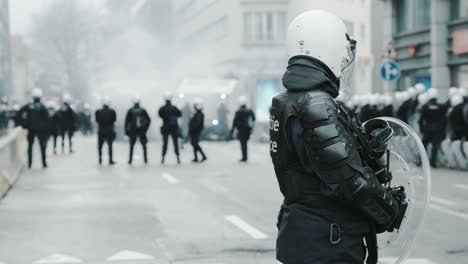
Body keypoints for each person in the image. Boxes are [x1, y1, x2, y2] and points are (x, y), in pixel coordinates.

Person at [271, 10, 405, 264]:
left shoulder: (288, 100)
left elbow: (315, 170)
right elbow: (349, 180)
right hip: (329, 243)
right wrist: (389, 208)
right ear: (328, 47)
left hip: (305, 235)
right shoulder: (316, 104)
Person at [17, 88, 50, 168]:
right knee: (42, 147)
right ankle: (43, 163)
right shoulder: (42, 107)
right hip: (40, 130)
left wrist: (23, 123)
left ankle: (30, 163)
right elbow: (47, 119)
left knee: (31, 147)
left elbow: (19, 113)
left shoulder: (29, 106)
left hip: (31, 129)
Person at [419, 88, 448, 167]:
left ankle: (421, 162)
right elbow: (444, 120)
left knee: (423, 145)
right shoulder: (441, 107)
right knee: (435, 146)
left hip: (428, 128)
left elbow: (421, 120)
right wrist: (443, 130)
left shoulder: (425, 106)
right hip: (438, 128)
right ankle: (433, 163)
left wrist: (422, 129)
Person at [125, 96, 151, 164]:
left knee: (133, 146)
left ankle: (131, 160)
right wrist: (145, 128)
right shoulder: (142, 110)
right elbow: (148, 120)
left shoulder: (131, 110)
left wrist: (127, 131)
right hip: (139, 130)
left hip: (135, 130)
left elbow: (127, 121)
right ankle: (145, 159)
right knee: (143, 146)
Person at [159, 93, 182, 164]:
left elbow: (160, 115)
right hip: (173, 128)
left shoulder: (163, 108)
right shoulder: (174, 108)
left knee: (165, 144)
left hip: (166, 128)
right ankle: (178, 158)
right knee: (175, 144)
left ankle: (163, 158)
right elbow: (180, 114)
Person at [230, 96, 255, 162]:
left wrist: (232, 131)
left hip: (241, 129)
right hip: (247, 129)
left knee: (242, 143)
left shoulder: (238, 111)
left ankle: (244, 157)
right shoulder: (249, 110)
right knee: (245, 143)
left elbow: (234, 122)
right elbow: (253, 119)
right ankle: (245, 157)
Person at [95, 98, 117, 165]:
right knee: (110, 146)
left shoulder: (98, 111)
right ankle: (110, 160)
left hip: (101, 130)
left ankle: (100, 159)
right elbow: (114, 120)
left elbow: (97, 120)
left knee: (100, 146)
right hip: (110, 130)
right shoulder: (112, 111)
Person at [188, 98, 207, 162]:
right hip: (195, 131)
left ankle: (203, 156)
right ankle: (196, 157)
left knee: (195, 144)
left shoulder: (199, 114)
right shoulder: (197, 114)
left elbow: (197, 124)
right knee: (194, 144)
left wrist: (192, 127)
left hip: (196, 131)